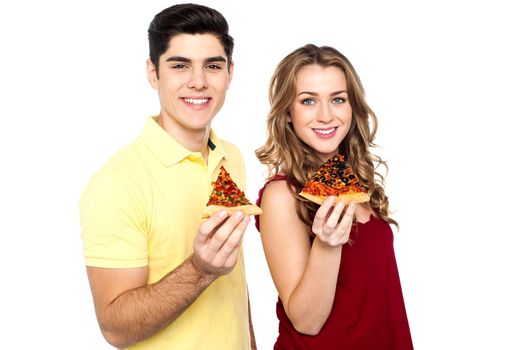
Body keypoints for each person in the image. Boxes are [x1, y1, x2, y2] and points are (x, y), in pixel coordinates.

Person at [79, 4, 256, 349]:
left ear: (230, 73)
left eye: (213, 66)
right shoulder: (115, 184)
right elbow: (115, 328)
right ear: (152, 73)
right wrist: (201, 270)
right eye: (180, 66)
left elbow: (235, 282)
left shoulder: (231, 157)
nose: (199, 81)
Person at [255, 44, 413, 349]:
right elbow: (306, 321)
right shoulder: (281, 195)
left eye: (337, 99)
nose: (325, 115)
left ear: (352, 107)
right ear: (288, 112)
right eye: (308, 101)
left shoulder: (360, 183)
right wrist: (327, 244)